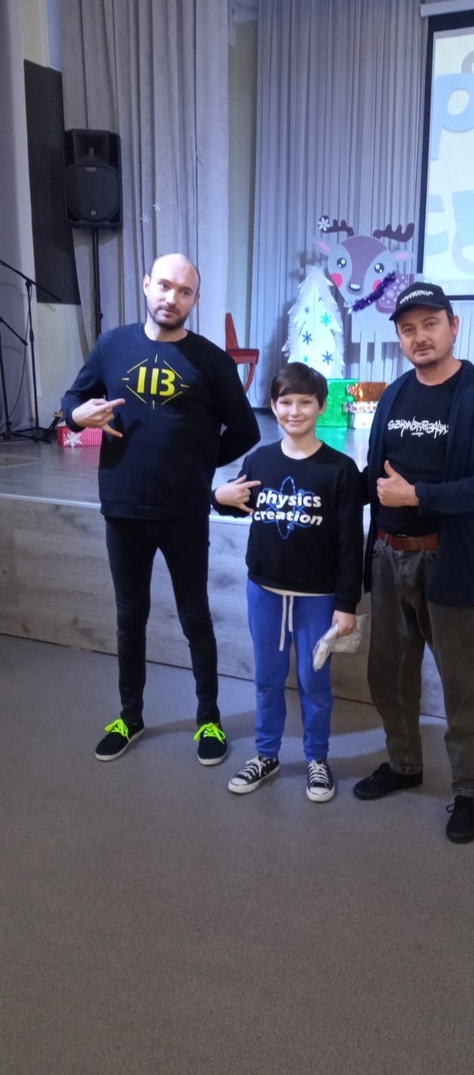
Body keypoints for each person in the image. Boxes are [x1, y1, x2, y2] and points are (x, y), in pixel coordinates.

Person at [60, 253, 260, 765]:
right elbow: (73, 400)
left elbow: (245, 429)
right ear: (146, 284)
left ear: (195, 299)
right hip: (123, 509)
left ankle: (209, 719)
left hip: (183, 512)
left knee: (195, 618)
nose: (172, 298)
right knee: (130, 617)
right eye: (165, 286)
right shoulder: (112, 345)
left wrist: (198, 464)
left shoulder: (211, 360)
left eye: (185, 291)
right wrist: (78, 415)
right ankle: (129, 716)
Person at [352, 281, 474, 843]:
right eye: (408, 329)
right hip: (387, 556)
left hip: (448, 560)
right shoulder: (395, 394)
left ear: (453, 326)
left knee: (462, 684)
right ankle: (404, 764)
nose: (419, 337)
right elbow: (375, 478)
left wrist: (417, 495)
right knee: (389, 675)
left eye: (430, 324)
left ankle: (469, 791)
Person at [212, 362, 363, 802]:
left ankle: (317, 758)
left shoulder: (340, 469)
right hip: (265, 592)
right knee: (267, 679)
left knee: (314, 683)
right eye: (285, 402)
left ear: (321, 406)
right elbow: (234, 501)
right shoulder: (259, 460)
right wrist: (217, 496)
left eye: (304, 402)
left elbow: (350, 544)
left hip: (318, 596)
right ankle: (266, 754)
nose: (294, 411)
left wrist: (347, 603)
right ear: (273, 405)